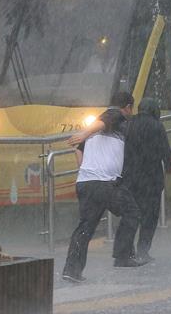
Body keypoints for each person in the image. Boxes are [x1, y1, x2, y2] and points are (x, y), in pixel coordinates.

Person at [61, 91, 145, 283]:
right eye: (130, 110)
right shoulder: (115, 116)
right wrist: (83, 133)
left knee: (85, 228)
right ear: (127, 107)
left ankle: (71, 270)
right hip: (105, 183)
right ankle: (123, 256)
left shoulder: (94, 131)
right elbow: (109, 117)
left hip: (86, 183)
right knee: (132, 213)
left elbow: (79, 155)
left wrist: (84, 140)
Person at [122, 97, 171, 264]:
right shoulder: (157, 126)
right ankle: (143, 250)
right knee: (150, 216)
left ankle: (128, 251)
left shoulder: (130, 124)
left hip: (131, 177)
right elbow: (166, 149)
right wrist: (168, 166)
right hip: (151, 178)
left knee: (132, 215)